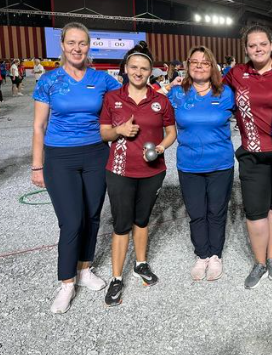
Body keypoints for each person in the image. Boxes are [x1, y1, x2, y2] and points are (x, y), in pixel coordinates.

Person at [31, 22, 121, 314]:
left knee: (93, 216)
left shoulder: (102, 79)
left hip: (96, 154)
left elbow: (129, 96)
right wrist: (37, 165)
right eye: (72, 43)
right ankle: (66, 282)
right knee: (72, 221)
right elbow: (38, 126)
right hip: (60, 158)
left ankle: (85, 269)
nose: (77, 48)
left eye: (82, 43)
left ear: (88, 46)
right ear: (63, 46)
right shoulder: (49, 80)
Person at [99, 42, 176, 306]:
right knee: (122, 225)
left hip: (153, 171)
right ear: (125, 69)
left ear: (151, 71)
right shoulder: (113, 98)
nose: (139, 72)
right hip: (120, 170)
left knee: (142, 221)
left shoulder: (161, 100)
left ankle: (140, 264)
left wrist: (161, 148)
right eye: (134, 67)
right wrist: (119, 131)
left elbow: (171, 132)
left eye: (144, 68)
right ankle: (116, 277)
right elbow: (104, 133)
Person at [223, 25, 272, 289]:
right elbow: (212, 92)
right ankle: (259, 262)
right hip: (252, 154)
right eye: (253, 45)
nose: (258, 49)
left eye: (262, 44)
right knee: (255, 211)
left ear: (271, 45)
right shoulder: (237, 74)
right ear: (246, 49)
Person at [160, 46, 235, 281]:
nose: (200, 66)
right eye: (195, 62)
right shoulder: (178, 93)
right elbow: (151, 108)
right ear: (187, 65)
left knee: (216, 211)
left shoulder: (225, 93)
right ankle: (201, 254)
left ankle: (215, 255)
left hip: (220, 163)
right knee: (196, 212)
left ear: (212, 66)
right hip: (189, 164)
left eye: (205, 62)